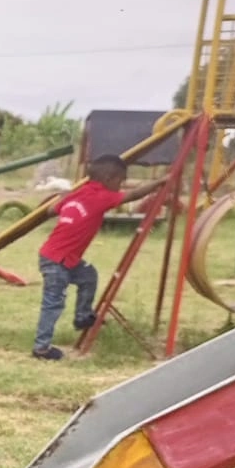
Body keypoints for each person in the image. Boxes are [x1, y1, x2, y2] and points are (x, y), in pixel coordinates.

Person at [33, 154, 158, 360]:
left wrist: (66, 199)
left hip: (60, 257)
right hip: (57, 261)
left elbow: (49, 210)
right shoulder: (102, 196)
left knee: (88, 275)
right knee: (53, 302)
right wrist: (159, 182)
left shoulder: (78, 193)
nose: (122, 184)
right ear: (109, 179)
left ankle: (82, 317)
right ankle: (41, 348)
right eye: (120, 180)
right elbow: (134, 195)